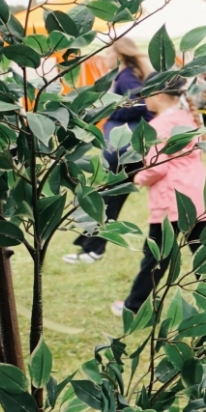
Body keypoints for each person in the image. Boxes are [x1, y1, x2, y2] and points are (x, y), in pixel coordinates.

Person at [113, 81, 206, 318]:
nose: (144, 100)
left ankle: (134, 306)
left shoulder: (159, 125)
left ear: (158, 95)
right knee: (205, 257)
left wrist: (138, 177)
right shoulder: (187, 119)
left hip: (172, 200)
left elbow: (157, 167)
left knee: (156, 256)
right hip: (196, 195)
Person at [65, 39, 152, 264]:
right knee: (107, 198)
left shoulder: (126, 76)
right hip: (131, 149)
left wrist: (113, 112)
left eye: (107, 53)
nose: (104, 58)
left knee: (105, 199)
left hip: (125, 151)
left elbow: (141, 105)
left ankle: (92, 249)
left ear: (119, 55)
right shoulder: (129, 74)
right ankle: (92, 247)